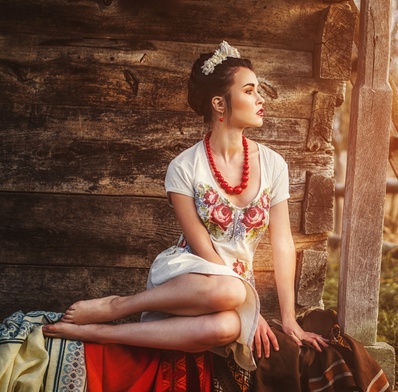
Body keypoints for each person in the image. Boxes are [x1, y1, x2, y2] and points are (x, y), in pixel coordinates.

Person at [42, 41, 329, 371]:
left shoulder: (274, 164)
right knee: (231, 292)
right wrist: (251, 305)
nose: (261, 99)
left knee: (226, 327)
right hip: (190, 277)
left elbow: (282, 243)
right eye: (250, 91)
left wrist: (288, 318)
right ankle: (117, 307)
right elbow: (203, 247)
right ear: (219, 103)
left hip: (232, 290)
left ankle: (103, 334)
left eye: (258, 91)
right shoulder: (183, 167)